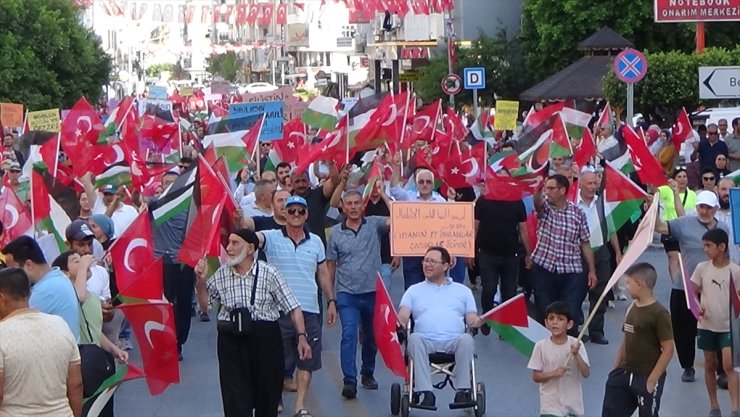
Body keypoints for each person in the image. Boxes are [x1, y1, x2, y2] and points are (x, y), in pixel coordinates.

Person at [194, 229, 311, 417]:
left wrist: (302, 337)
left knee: (267, 396)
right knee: (235, 398)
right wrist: (201, 280)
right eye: (229, 243)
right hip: (231, 341)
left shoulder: (269, 273)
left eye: (235, 243)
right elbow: (204, 305)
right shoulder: (222, 274)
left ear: (250, 248)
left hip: (265, 340)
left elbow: (293, 307)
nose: (229, 248)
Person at [254, 195, 337, 417]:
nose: (296, 215)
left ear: (307, 214)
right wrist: (238, 222)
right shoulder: (271, 237)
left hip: (309, 308)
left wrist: (331, 301)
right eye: (292, 211)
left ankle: (300, 405)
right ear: (284, 213)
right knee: (276, 358)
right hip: (277, 309)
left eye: (301, 211)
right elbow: (252, 237)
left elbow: (323, 273)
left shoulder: (316, 242)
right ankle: (276, 398)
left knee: (306, 360)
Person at [655, 189, 729, 383]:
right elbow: (660, 227)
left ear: (715, 208)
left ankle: (721, 370)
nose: (704, 211)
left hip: (714, 285)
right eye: (701, 207)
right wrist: (653, 207)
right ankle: (687, 366)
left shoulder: (723, 228)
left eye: (708, 207)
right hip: (685, 286)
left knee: (718, 327)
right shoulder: (684, 223)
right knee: (683, 328)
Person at [397, 246, 483, 410]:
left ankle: (462, 390)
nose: (427, 265)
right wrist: (399, 325)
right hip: (425, 342)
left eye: (432, 261)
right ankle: (426, 392)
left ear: (445, 265)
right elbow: (403, 316)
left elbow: (471, 318)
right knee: (414, 338)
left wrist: (477, 321)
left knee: (467, 339)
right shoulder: (414, 291)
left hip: (454, 342)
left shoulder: (462, 291)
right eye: (425, 261)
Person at [326, 189, 390, 399]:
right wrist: (331, 300)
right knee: (349, 335)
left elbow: (397, 219)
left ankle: (367, 372)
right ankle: (349, 380)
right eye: (349, 204)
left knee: (371, 337)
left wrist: (384, 195)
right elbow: (331, 266)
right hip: (347, 294)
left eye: (357, 203)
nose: (353, 208)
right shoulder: (335, 233)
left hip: (372, 291)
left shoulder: (374, 224)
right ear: (342, 207)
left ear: (363, 206)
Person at [0, 268, 83, 417]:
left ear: (1, 298)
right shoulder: (60, 325)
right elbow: (76, 385)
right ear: (29, 293)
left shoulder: (2, 333)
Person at [601, 263, 674, 417]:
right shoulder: (631, 308)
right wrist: (615, 370)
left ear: (640, 284)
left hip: (646, 376)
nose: (626, 287)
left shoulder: (659, 313)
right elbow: (625, 340)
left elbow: (668, 350)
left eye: (628, 283)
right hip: (623, 373)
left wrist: (652, 380)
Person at [532, 174, 596, 336]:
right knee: (546, 310)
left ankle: (570, 348)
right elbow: (537, 202)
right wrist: (539, 187)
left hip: (571, 270)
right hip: (545, 268)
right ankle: (546, 348)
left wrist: (592, 270)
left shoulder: (577, 213)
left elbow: (585, 242)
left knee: (570, 311)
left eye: (551, 188)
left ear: (562, 190)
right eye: (546, 188)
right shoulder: (545, 209)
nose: (548, 192)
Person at [472, 168, 531, 336]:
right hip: (487, 253)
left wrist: (528, 253)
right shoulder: (483, 201)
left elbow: (523, 229)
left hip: (510, 254)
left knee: (509, 292)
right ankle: (486, 317)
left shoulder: (517, 202)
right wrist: (471, 251)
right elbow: (475, 227)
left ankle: (505, 327)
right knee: (488, 289)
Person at [691, 229, 740, 417]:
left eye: (709, 246)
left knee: (729, 365)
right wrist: (697, 307)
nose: (705, 249)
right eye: (704, 245)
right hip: (706, 325)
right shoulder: (702, 268)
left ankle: (735, 408)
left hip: (729, 327)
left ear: (722, 247)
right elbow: (692, 291)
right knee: (710, 364)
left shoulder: (735, 271)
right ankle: (714, 405)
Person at [1, 235, 80, 341]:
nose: (10, 277)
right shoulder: (58, 277)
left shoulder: (45, 291)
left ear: (29, 265)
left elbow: (10, 325)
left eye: (14, 270)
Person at [575, 170, 622, 345]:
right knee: (577, 290)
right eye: (589, 184)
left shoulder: (603, 203)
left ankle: (596, 330)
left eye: (595, 183)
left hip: (600, 251)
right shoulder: (573, 202)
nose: (593, 187)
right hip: (577, 251)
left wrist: (617, 252)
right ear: (580, 184)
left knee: (600, 291)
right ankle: (575, 328)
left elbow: (611, 229)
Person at [528, 301, 590, 417]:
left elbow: (586, 373)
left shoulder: (577, 344)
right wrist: (553, 373)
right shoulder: (541, 346)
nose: (555, 322)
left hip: (573, 404)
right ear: (546, 323)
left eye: (560, 319)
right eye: (551, 319)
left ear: (569, 324)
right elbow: (536, 376)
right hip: (550, 405)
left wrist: (576, 355)